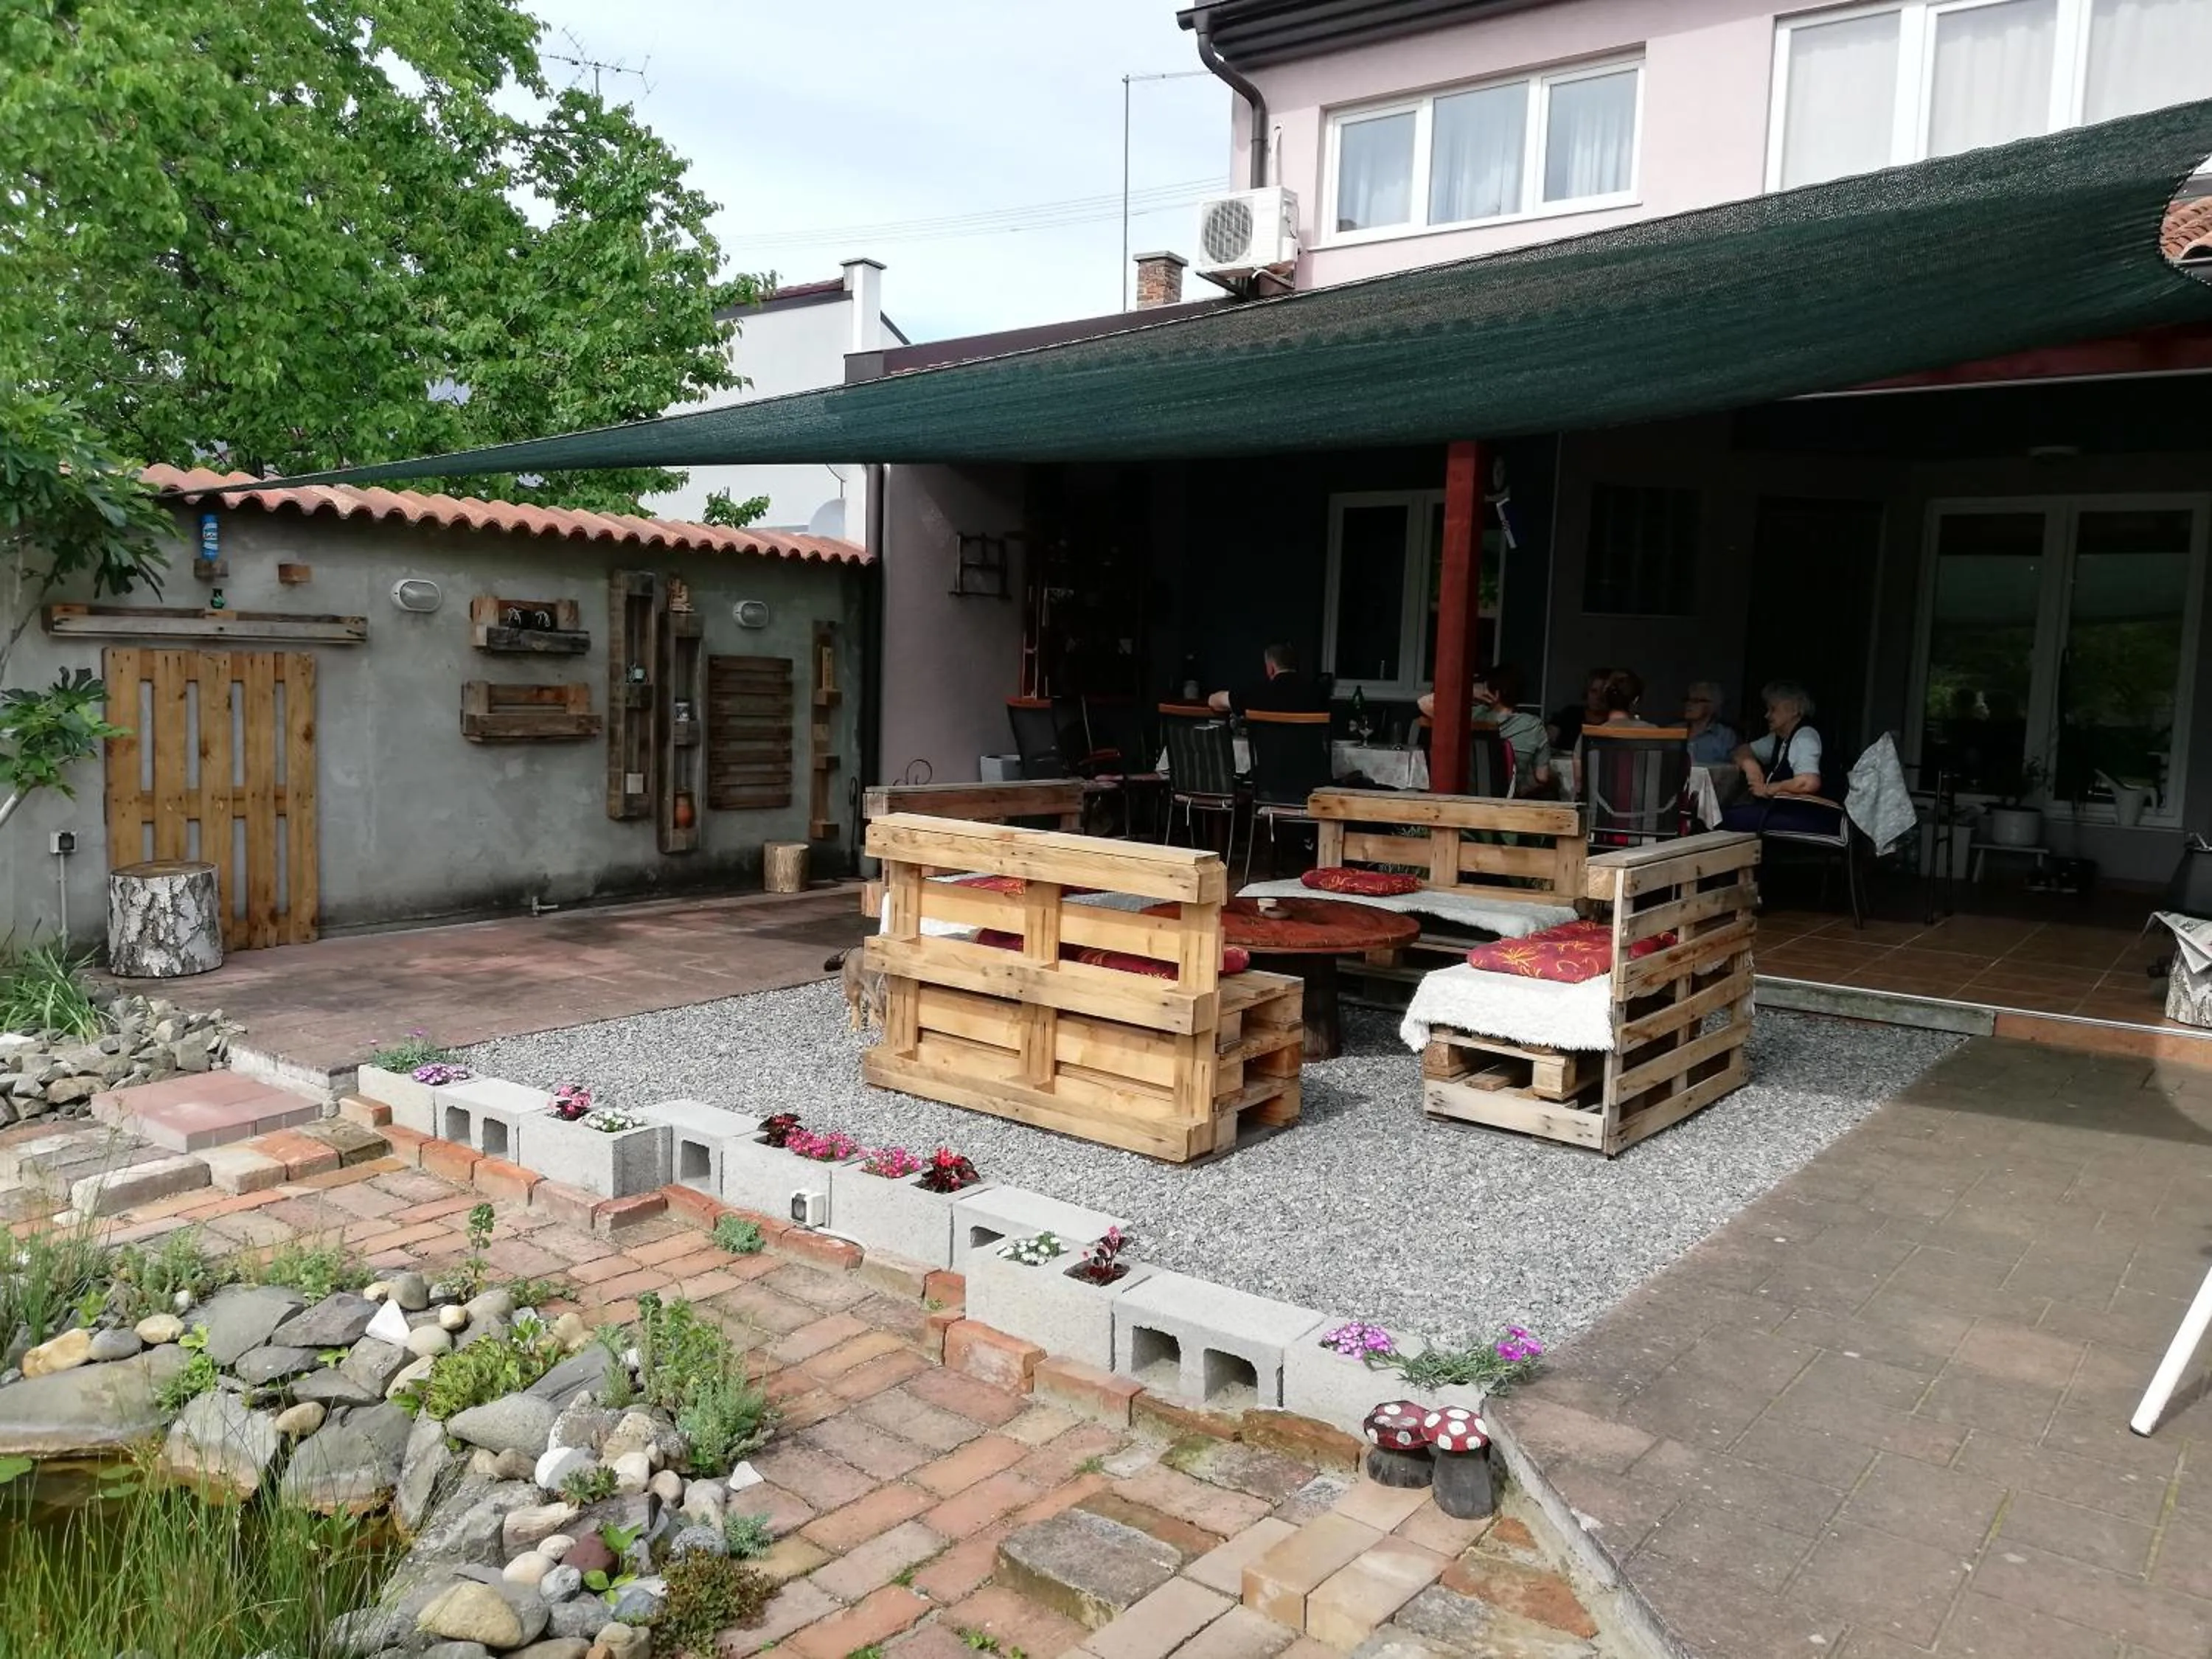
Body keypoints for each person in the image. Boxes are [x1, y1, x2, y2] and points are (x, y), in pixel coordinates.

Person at [1722, 681, 1843, 834]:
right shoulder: (1779, 738)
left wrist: (1768, 789)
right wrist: (1751, 767)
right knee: (1730, 812)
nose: (1767, 715)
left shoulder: (1805, 736)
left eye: (1773, 709)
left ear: (1793, 709)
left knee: (1727, 818)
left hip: (1812, 816)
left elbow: (1807, 783)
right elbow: (1741, 751)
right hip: (1787, 812)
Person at [1418, 663, 1551, 792]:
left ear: (1496, 694)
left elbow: (1424, 703)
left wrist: (1468, 691)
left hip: (1469, 794)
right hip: (1510, 800)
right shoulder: (1534, 726)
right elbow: (1542, 777)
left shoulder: (1473, 716)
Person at [1208, 642, 1325, 715]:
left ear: (1271, 669)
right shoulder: (1317, 694)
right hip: (1309, 755)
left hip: (1268, 756)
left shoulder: (1257, 692)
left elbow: (1214, 701)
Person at [1547, 667, 1611, 751]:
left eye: (1604, 692)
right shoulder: (1570, 714)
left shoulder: (1615, 721)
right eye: (1593, 691)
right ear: (1587, 692)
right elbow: (1549, 739)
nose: (1598, 697)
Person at [1683, 681, 1739, 765]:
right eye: (1688, 699)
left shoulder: (1725, 736)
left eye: (1696, 700)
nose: (1689, 704)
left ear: (1713, 705)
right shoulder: (1673, 731)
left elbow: (1735, 768)